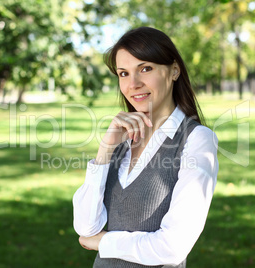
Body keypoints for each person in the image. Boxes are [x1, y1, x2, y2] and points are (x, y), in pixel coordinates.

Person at [72, 26, 219, 267]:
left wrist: (103, 242)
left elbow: (172, 247)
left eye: (145, 69)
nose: (134, 84)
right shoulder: (122, 139)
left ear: (174, 70)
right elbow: (86, 226)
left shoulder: (197, 140)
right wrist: (105, 151)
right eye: (123, 73)